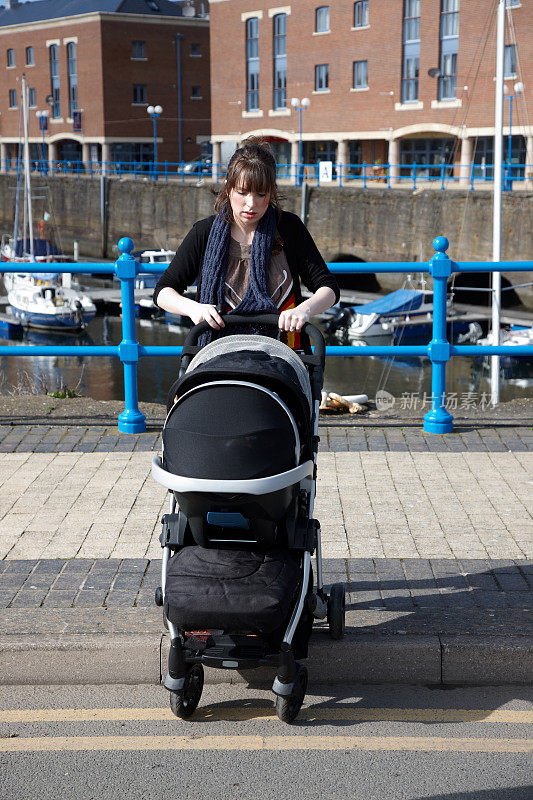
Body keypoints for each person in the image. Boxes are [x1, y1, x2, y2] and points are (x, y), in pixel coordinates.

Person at [153, 137, 339, 349]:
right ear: (228, 188)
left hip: (283, 353)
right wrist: (194, 309)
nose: (251, 204)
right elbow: (163, 291)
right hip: (218, 353)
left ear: (272, 192)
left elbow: (328, 288)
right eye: (242, 192)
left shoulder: (289, 228)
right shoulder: (203, 232)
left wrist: (303, 310)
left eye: (261, 194)